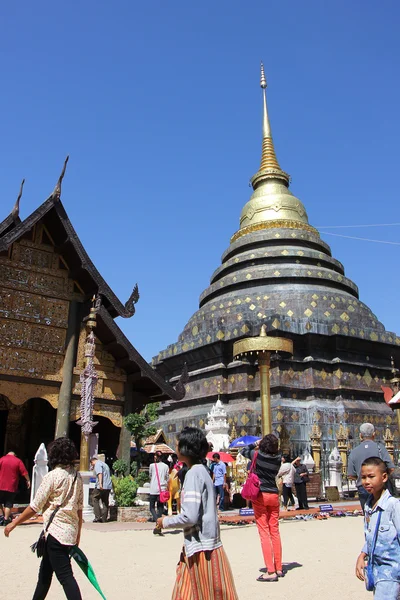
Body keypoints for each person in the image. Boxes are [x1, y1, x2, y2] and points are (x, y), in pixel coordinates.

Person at [156, 427, 238, 599]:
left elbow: (190, 516)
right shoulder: (203, 471)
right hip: (205, 543)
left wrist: (165, 521)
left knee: (203, 593)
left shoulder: (193, 474)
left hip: (201, 548)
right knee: (187, 591)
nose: (176, 448)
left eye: (178, 445)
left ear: (186, 449)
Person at [4, 437, 83, 600]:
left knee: (66, 576)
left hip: (55, 532)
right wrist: (78, 534)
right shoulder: (77, 477)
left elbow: (35, 506)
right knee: (45, 574)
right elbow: (80, 509)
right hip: (68, 531)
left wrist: (14, 523)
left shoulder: (53, 476)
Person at [355, 457, 400, 599]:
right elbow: (372, 535)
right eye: (363, 477)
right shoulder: (369, 505)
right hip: (376, 570)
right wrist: (362, 555)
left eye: (371, 476)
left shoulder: (393, 506)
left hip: (391, 572)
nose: (366, 481)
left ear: (384, 477)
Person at [242, 434, 284, 582]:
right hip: (273, 494)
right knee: (275, 531)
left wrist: (256, 443)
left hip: (260, 494)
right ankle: (278, 567)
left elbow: (243, 451)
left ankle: (270, 571)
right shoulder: (278, 459)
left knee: (264, 532)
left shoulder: (256, 455)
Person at [348, 423, 394, 511]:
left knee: (368, 516)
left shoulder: (354, 452)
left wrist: (363, 476)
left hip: (363, 487)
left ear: (360, 435)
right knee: (383, 513)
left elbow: (350, 475)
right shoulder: (380, 448)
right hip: (380, 486)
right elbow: (391, 468)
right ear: (374, 434)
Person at [0, 449, 30, 525]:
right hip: (11, 486)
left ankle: (0, 518)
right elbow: (24, 472)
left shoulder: (2, 459)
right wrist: (28, 480)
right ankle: (6, 520)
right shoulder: (18, 461)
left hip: (0, 485)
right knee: (8, 503)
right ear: (15, 455)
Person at [149, 450, 169, 533]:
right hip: (162, 489)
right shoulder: (166, 466)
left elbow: (150, 475)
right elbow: (167, 478)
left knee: (152, 507)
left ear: (156, 457)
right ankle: (159, 525)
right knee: (160, 508)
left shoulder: (152, 466)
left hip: (154, 489)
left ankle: (157, 521)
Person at [90, 455, 112, 523]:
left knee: (94, 498)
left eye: (92, 465)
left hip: (101, 486)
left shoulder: (97, 464)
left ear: (92, 462)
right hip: (108, 486)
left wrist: (100, 484)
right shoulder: (104, 464)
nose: (92, 466)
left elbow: (100, 474)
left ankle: (98, 517)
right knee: (105, 501)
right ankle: (104, 518)